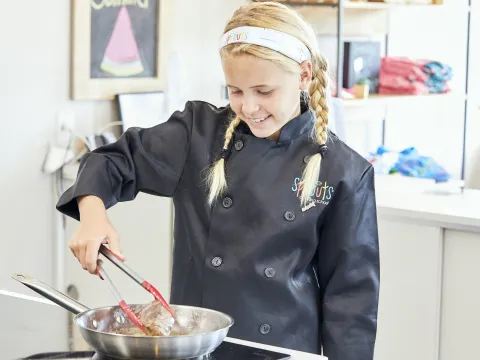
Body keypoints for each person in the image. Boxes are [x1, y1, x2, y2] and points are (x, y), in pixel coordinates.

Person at [56, 2, 380, 359]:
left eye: (264, 91)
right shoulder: (198, 134)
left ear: (304, 75)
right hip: (195, 350)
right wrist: (92, 213)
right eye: (235, 91)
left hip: (282, 351)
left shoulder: (345, 171)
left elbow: (351, 304)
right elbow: (113, 159)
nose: (249, 107)